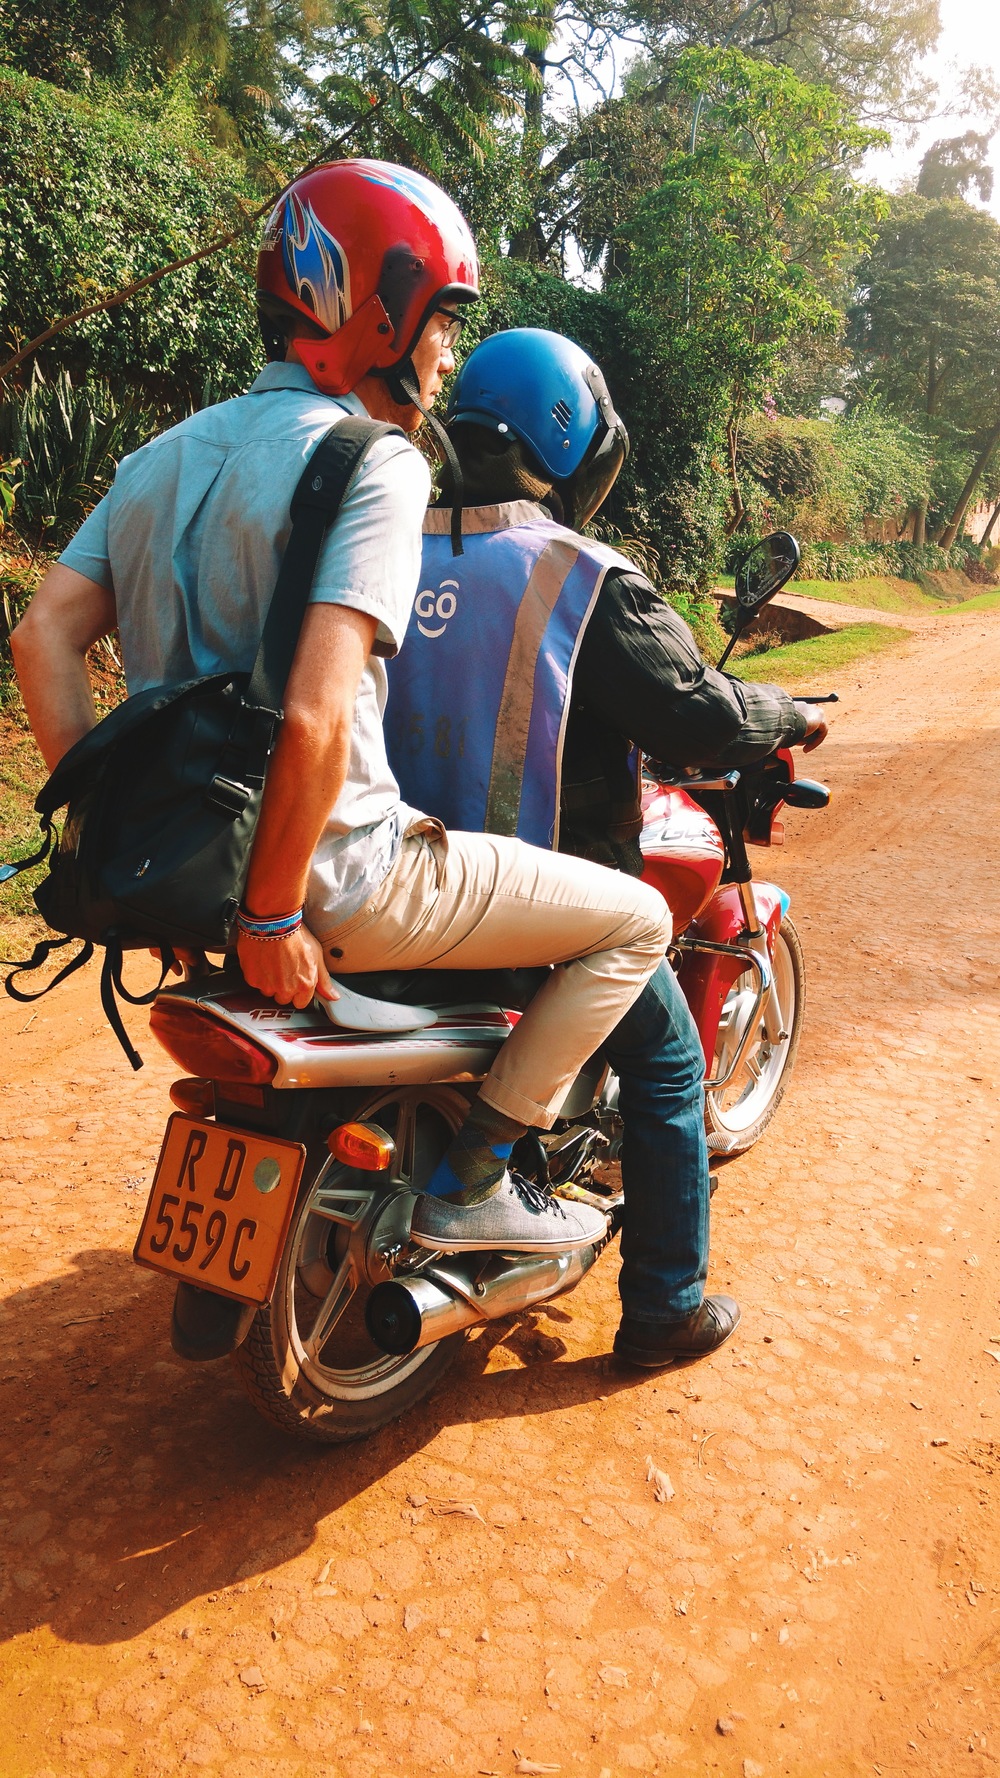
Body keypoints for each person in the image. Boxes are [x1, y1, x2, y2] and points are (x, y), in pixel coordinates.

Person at [11, 167, 672, 1267]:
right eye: (442, 320)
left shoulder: (156, 458)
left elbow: (40, 639)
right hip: (356, 879)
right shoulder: (378, 463)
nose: (445, 354)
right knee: (638, 922)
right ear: (378, 310)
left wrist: (138, 848)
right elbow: (316, 713)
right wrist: (272, 915)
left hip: (206, 871)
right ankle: (477, 1178)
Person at [385, 326, 829, 1364]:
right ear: (576, 448)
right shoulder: (579, 574)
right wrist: (786, 713)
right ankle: (664, 1304)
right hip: (532, 900)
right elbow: (695, 714)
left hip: (388, 878)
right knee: (673, 1067)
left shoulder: (388, 547)